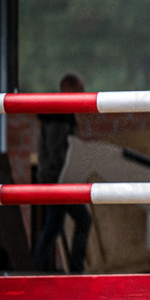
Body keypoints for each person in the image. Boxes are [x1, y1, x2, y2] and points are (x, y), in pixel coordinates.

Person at [32, 73, 92, 273]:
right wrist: (66, 176)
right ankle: (42, 269)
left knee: (58, 224)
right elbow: (57, 149)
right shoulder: (60, 113)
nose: (83, 95)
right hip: (57, 178)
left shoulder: (60, 112)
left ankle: (45, 269)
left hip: (58, 177)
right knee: (56, 225)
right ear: (69, 89)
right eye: (80, 91)